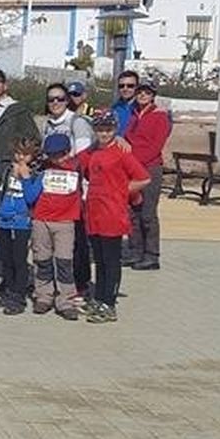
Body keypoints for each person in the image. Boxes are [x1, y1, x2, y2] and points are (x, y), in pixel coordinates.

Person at [80, 112, 151, 323]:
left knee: (111, 261)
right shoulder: (90, 153)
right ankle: (99, 297)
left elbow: (143, 178)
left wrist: (121, 192)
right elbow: (81, 168)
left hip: (112, 213)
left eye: (109, 129)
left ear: (115, 129)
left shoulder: (121, 152)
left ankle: (109, 304)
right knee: (99, 260)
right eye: (100, 129)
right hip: (94, 213)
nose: (104, 133)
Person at [31, 133, 82, 319]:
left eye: (59, 155)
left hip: (65, 221)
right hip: (41, 219)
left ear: (67, 152)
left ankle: (66, 299)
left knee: (64, 261)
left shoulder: (77, 166)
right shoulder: (42, 167)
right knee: (42, 259)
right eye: (51, 155)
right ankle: (44, 296)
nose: (55, 159)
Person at [0, 138, 43, 315]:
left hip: (22, 222)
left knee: (19, 260)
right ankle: (8, 290)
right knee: (5, 258)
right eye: (18, 153)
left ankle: (19, 296)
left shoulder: (36, 174)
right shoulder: (8, 172)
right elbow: (1, 195)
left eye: (25, 154)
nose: (21, 157)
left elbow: (31, 198)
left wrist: (25, 177)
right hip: (5, 220)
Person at [123, 83, 170, 271]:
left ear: (153, 96)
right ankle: (136, 250)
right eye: (140, 92)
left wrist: (135, 163)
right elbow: (128, 139)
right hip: (133, 169)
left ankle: (152, 255)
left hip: (149, 168)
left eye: (147, 93)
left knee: (148, 213)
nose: (142, 95)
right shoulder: (134, 115)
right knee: (133, 212)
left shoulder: (160, 117)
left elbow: (155, 145)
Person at [111, 70, 139, 136]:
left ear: (137, 87)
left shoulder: (142, 108)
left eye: (130, 86)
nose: (125, 89)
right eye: (121, 86)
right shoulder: (114, 109)